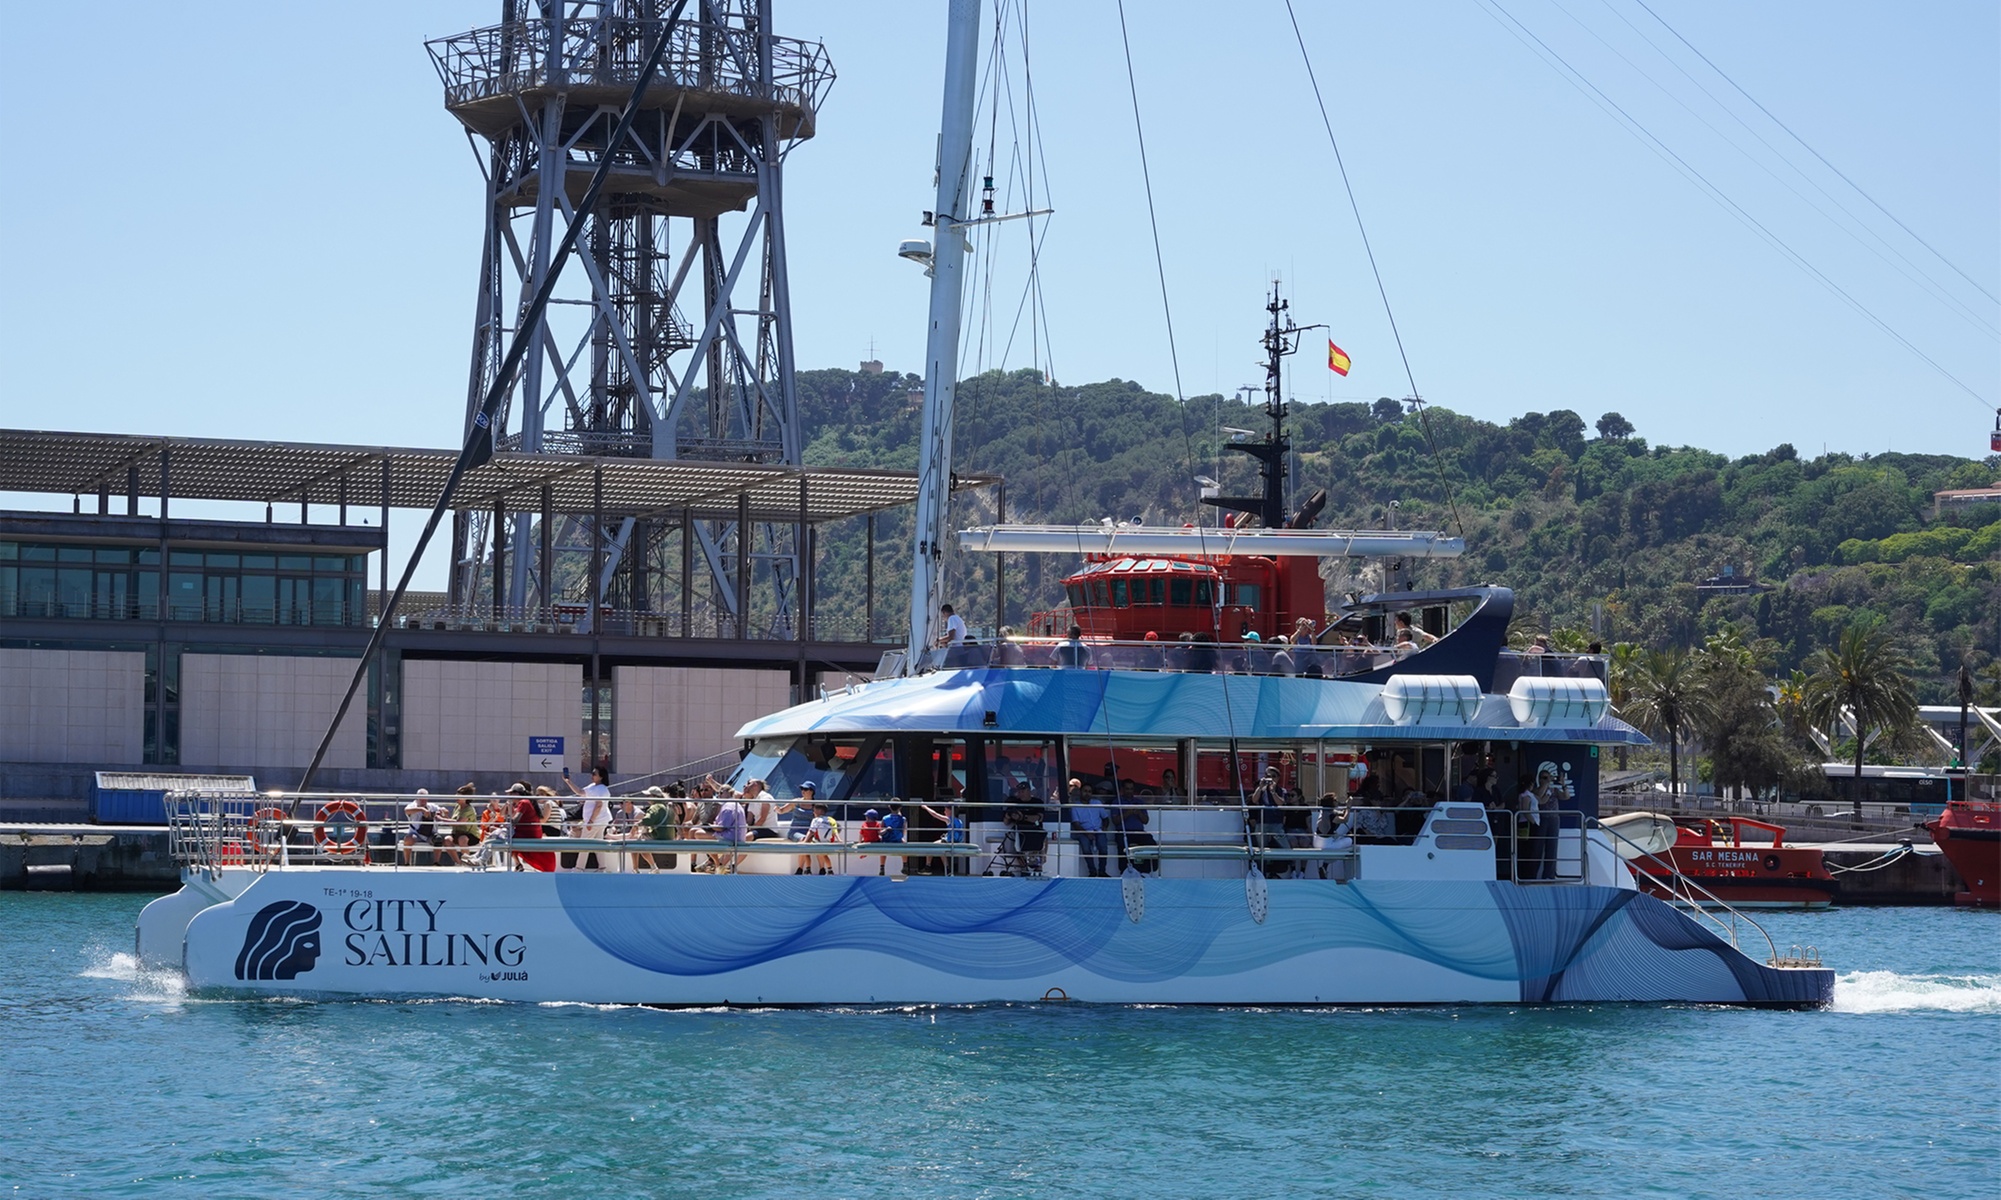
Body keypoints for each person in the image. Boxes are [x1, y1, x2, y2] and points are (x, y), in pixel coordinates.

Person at [568, 765, 613, 871]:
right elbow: (580, 792)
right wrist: (568, 781)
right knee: (598, 844)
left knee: (585, 843)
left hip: (595, 821)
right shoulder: (594, 787)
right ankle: (602, 867)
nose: (591, 775)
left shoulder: (601, 789)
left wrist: (590, 821)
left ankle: (579, 868)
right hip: (599, 821)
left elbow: (599, 805)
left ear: (601, 777)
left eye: (594, 774)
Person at [1068, 779, 1109, 878]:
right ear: (1080, 792)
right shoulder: (1075, 806)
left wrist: (1104, 828)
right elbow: (1076, 824)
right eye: (1085, 791)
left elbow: (1106, 818)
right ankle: (1092, 872)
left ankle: (1102, 872)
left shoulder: (1097, 803)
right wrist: (1087, 833)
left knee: (1103, 846)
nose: (1087, 794)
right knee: (1086, 847)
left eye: (1089, 791)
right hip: (1083, 832)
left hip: (1098, 831)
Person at [510, 787, 554, 872]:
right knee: (506, 837)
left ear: (517, 794)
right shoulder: (527, 801)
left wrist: (506, 819)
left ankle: (481, 859)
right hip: (531, 832)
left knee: (502, 838)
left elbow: (515, 820)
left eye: (511, 794)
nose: (509, 796)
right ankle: (518, 864)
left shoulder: (524, 802)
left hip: (528, 833)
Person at [779, 781, 817, 874]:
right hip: (795, 831)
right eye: (802, 789)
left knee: (807, 840)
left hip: (809, 832)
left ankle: (807, 869)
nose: (803, 791)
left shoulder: (816, 805)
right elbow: (782, 810)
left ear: (811, 791)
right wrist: (775, 808)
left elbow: (818, 820)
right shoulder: (796, 802)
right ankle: (803, 868)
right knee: (804, 840)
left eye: (805, 789)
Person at [635, 786, 676, 872]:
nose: (647, 798)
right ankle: (653, 867)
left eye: (648, 796)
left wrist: (637, 824)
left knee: (635, 842)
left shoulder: (655, 807)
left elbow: (648, 820)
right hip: (669, 837)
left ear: (654, 796)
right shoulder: (668, 806)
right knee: (640, 841)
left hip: (659, 836)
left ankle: (637, 869)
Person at [920, 801, 968, 875]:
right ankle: (947, 869)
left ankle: (928, 866)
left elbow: (935, 814)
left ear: (950, 811)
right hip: (957, 842)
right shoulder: (959, 821)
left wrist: (925, 807)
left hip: (950, 842)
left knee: (930, 846)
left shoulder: (948, 819)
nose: (944, 812)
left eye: (945, 810)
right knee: (941, 848)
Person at [400, 789, 442, 866]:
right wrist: (421, 809)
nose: (423, 801)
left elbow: (443, 811)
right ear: (417, 798)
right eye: (421, 798)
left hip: (430, 833)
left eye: (425, 798)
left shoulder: (432, 806)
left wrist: (442, 812)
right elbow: (406, 811)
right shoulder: (412, 805)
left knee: (438, 839)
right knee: (408, 839)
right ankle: (407, 863)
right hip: (416, 834)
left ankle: (436, 862)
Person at [448, 784, 481, 866]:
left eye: (459, 795)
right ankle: (458, 862)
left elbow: (458, 822)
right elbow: (452, 821)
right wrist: (444, 815)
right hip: (457, 833)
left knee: (462, 839)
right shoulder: (457, 807)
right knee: (447, 840)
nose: (456, 796)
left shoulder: (469, 809)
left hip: (470, 835)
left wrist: (441, 819)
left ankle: (468, 861)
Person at [806, 802, 839, 875]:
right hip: (828, 843)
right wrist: (839, 840)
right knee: (823, 854)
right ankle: (828, 870)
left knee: (805, 851)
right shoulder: (831, 819)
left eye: (814, 810)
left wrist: (805, 841)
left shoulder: (816, 820)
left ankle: (808, 869)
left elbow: (811, 831)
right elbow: (835, 831)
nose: (813, 812)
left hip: (818, 842)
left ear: (819, 811)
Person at [879, 802, 908, 875]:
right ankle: (905, 865)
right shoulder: (903, 819)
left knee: (882, 850)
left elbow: (880, 831)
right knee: (905, 847)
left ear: (889, 807)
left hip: (887, 841)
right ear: (900, 808)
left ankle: (882, 867)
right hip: (898, 840)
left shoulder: (885, 818)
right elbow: (904, 830)